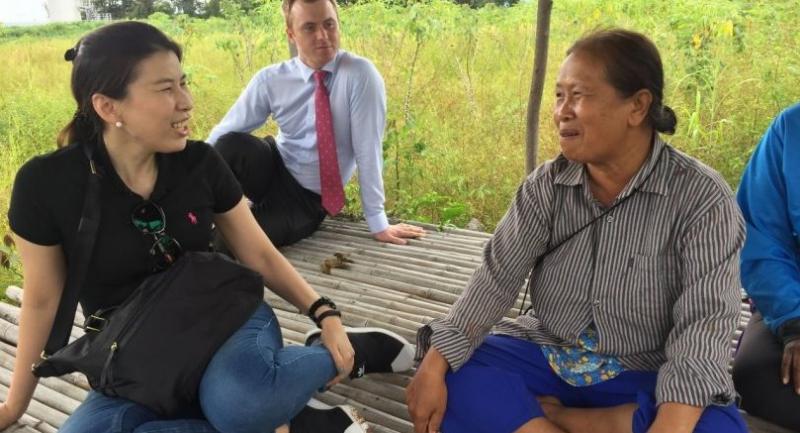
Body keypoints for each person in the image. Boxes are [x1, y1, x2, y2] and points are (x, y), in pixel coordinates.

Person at [0, 21, 414, 433]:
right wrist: (14, 407)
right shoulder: (46, 185)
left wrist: (325, 315)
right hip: (131, 356)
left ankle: (341, 355)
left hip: (223, 320)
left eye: (183, 83)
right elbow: (41, 301)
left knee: (243, 406)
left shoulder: (199, 163)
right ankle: (288, 419)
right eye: (166, 89)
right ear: (109, 107)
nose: (187, 102)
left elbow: (258, 253)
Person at [405, 29, 749, 433]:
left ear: (637, 106)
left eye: (578, 96)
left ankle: (561, 419)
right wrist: (435, 365)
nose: (561, 112)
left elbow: (704, 324)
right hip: (548, 356)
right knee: (450, 376)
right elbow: (495, 280)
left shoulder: (701, 198)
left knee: (714, 426)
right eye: (558, 96)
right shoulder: (546, 187)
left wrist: (669, 425)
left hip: (644, 370)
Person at [206, 0, 424, 248]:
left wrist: (378, 221)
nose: (322, 36)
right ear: (291, 34)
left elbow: (368, 150)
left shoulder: (360, 75)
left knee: (229, 242)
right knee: (228, 145)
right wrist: (182, 175)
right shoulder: (272, 79)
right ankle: (187, 216)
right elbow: (223, 132)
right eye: (309, 27)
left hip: (305, 199)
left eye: (329, 24)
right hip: (273, 164)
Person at [733, 102, 800, 431]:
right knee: (760, 377)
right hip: (793, 300)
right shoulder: (791, 128)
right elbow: (762, 237)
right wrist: (794, 325)